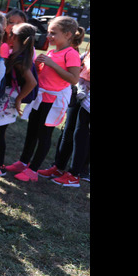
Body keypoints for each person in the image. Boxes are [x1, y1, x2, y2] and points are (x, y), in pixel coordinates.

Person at [6, 16, 83, 181]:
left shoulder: (71, 53)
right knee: (31, 131)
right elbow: (46, 74)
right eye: (48, 32)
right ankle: (23, 162)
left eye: (53, 33)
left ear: (68, 35)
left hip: (53, 102)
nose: (49, 36)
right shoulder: (51, 51)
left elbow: (73, 79)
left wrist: (52, 64)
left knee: (44, 135)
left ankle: (33, 170)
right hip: (40, 98)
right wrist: (39, 68)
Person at [0, 22, 37, 177]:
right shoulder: (16, 54)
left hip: (9, 100)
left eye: (10, 34)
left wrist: (20, 99)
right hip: (6, 98)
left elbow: (32, 82)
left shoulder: (20, 60)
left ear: (14, 37)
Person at [42, 47, 90, 186]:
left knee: (80, 134)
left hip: (88, 98)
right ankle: (58, 167)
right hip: (79, 91)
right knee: (68, 130)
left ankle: (74, 174)